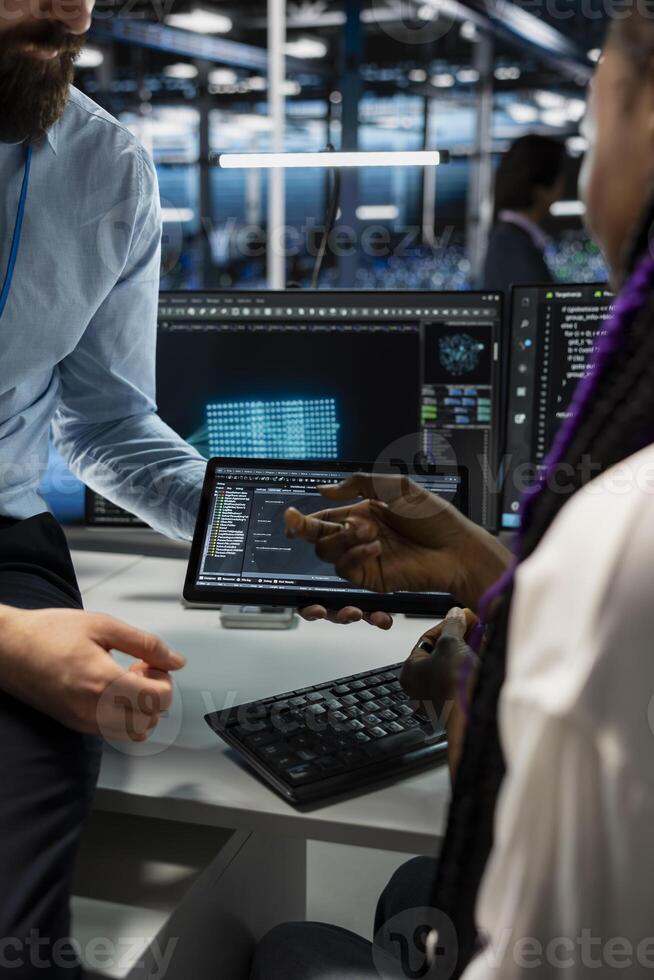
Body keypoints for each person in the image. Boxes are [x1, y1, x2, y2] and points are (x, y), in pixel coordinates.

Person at [253, 8, 654, 978]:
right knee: (407, 888)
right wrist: (480, 567)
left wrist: (463, 695)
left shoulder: (623, 533)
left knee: (288, 945)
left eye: (595, 123)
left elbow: (541, 949)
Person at [0, 4, 207, 975]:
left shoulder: (105, 166)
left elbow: (107, 425)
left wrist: (266, 532)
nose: (73, 11)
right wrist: (11, 647)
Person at [481, 134, 567, 297]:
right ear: (541, 188)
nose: (561, 190)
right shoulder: (511, 246)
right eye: (560, 179)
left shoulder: (508, 239)